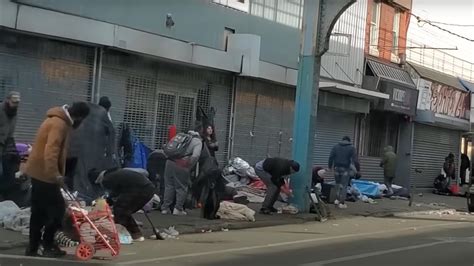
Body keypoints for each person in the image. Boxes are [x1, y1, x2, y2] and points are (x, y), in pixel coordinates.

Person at [24, 102, 90, 257]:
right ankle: (48, 245)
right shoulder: (59, 124)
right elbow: (51, 150)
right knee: (58, 210)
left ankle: (33, 247)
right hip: (46, 175)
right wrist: (56, 174)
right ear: (79, 116)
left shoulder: (56, 119)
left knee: (38, 211)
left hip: (38, 172)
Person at [88, 167, 154, 242]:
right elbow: (117, 193)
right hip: (147, 188)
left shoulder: (106, 179)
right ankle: (131, 230)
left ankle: (135, 234)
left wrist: (106, 201)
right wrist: (109, 201)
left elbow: (116, 193)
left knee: (121, 211)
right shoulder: (112, 173)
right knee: (124, 210)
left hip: (140, 190)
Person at [161, 130, 203, 216]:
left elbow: (167, 146)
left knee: (169, 185)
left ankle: (165, 208)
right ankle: (178, 209)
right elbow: (196, 155)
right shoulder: (198, 142)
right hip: (181, 163)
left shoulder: (180, 137)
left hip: (169, 161)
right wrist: (189, 165)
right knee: (181, 187)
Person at [328, 136, 360, 209]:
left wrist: (330, 167)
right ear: (349, 141)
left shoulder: (335, 146)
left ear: (342, 140)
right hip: (345, 168)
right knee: (344, 186)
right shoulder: (351, 148)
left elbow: (331, 157)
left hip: (336, 168)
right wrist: (358, 170)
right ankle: (341, 203)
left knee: (337, 184)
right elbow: (355, 160)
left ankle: (336, 200)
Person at [0, 91, 20, 182]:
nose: (15, 105)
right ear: (8, 100)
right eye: (13, 102)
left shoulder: (14, 113)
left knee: (10, 169)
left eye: (17, 103)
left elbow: (10, 131)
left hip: (7, 143)